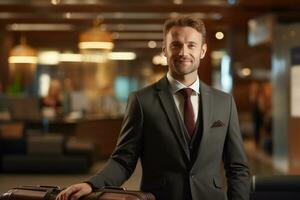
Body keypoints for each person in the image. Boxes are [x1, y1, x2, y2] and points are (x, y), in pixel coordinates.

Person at [56, 15, 250, 200]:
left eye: (191, 45)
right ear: (165, 50)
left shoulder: (224, 102)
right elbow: (123, 160)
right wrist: (92, 184)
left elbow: (237, 167)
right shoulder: (142, 101)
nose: (184, 52)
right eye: (176, 45)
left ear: (203, 50)